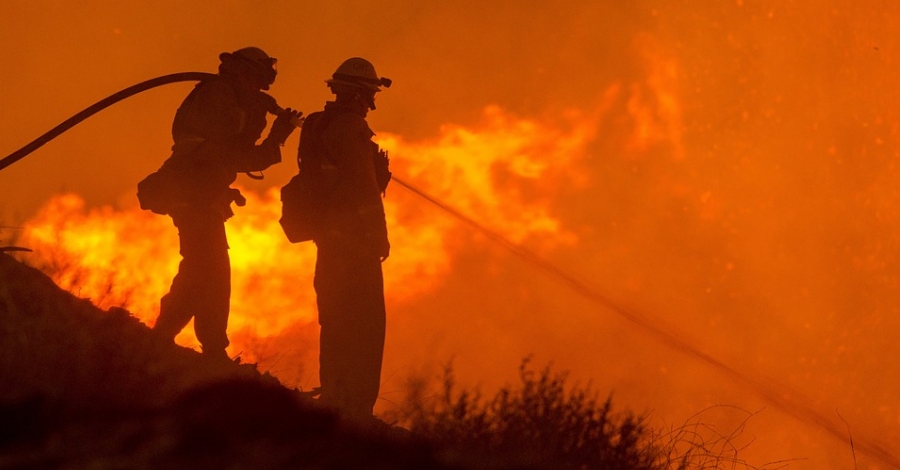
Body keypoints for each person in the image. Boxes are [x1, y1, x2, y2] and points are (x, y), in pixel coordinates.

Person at [150, 47, 301, 361]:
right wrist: (275, 135)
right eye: (256, 82)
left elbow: (237, 151)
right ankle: (201, 345)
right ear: (244, 73)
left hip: (203, 195)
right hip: (191, 193)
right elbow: (235, 155)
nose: (258, 89)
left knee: (204, 270)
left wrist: (267, 125)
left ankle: (177, 338)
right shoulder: (218, 96)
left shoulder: (232, 99)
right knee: (210, 269)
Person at [299, 57, 392, 418]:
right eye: (369, 96)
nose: (370, 104)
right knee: (366, 323)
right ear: (357, 95)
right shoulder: (352, 128)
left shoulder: (316, 124)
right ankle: (357, 406)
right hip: (355, 243)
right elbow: (362, 188)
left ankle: (335, 394)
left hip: (327, 239)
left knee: (335, 317)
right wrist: (379, 234)